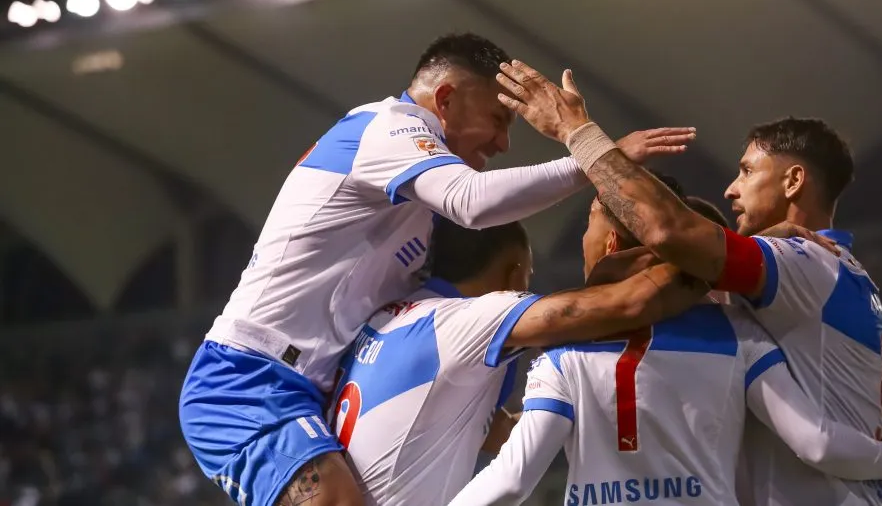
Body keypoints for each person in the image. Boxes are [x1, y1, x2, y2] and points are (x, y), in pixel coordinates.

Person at [178, 35, 695, 506]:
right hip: (248, 379)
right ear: (445, 99)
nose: (503, 143)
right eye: (500, 119)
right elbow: (470, 202)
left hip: (313, 385)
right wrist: (592, 153)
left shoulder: (418, 226)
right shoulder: (385, 127)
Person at [490, 60, 882, 505]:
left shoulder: (796, 262)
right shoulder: (847, 277)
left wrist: (579, 133)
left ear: (793, 181)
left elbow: (669, 232)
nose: (730, 189)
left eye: (747, 171)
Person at [447, 186, 882, 506]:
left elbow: (510, 481)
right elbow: (817, 444)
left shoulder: (563, 354)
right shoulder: (739, 336)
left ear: (610, 243)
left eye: (589, 222)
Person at [328, 206, 709, 506]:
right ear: (513, 276)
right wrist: (709, 254)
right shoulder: (464, 321)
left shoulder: (384, 320)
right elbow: (623, 305)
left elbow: (490, 433)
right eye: (528, 274)